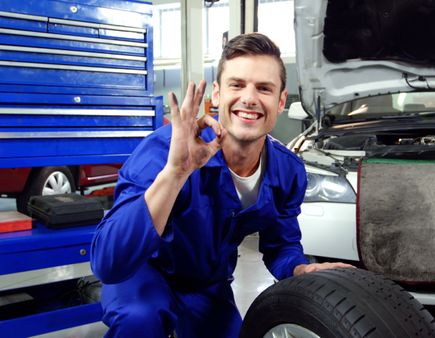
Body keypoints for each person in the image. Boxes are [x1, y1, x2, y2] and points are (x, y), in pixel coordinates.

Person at [90, 33, 351, 338]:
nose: (249, 98)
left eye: (264, 88)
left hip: (206, 282)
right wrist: (175, 173)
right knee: (141, 319)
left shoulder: (287, 172)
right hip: (143, 273)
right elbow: (109, 263)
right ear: (217, 94)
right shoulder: (162, 153)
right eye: (237, 85)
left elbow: (281, 245)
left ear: (281, 101)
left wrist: (298, 269)